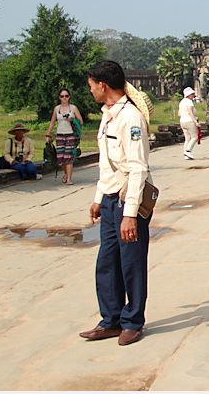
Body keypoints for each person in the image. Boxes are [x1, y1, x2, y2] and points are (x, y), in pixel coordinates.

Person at [79, 60, 153, 347]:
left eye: (91, 86)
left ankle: (133, 322)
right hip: (110, 200)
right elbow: (107, 164)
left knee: (131, 263)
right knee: (107, 262)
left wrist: (130, 215)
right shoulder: (108, 115)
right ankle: (111, 319)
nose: (90, 91)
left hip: (127, 200)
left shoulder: (130, 118)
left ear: (103, 85)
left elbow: (137, 168)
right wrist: (98, 198)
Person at [45, 88, 84, 184]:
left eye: (66, 96)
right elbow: (52, 122)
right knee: (60, 158)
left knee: (68, 157)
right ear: (59, 98)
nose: (64, 98)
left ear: (69, 97)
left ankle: (69, 179)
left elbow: (81, 121)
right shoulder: (57, 109)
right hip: (60, 135)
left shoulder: (73, 108)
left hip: (70, 135)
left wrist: (72, 120)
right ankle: (66, 174)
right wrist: (48, 134)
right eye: (62, 96)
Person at [179, 87, 200, 160]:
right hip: (189, 121)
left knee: (187, 138)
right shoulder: (189, 102)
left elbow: (179, 113)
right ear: (188, 95)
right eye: (192, 94)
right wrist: (195, 121)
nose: (193, 95)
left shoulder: (182, 102)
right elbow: (190, 112)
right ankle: (188, 151)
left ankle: (185, 154)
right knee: (194, 137)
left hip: (182, 121)